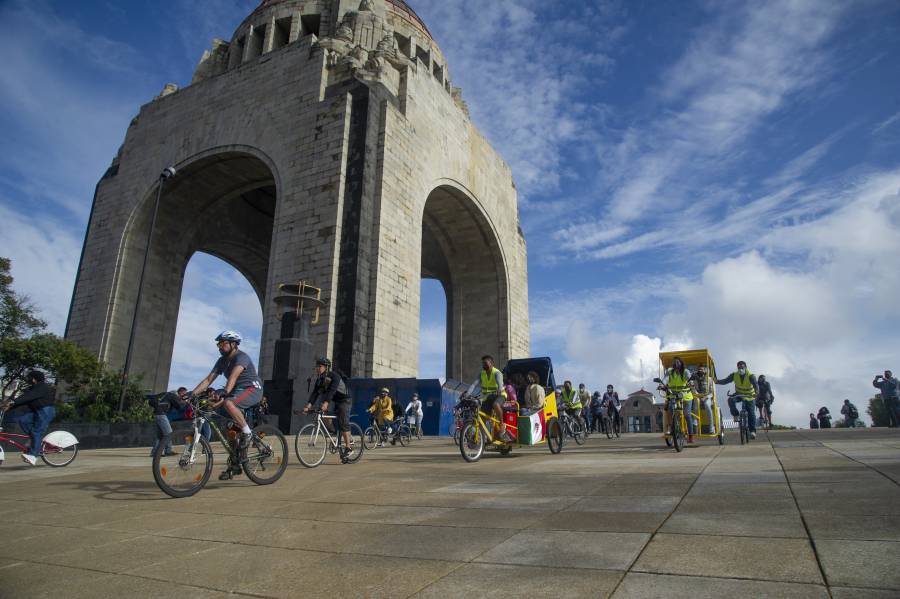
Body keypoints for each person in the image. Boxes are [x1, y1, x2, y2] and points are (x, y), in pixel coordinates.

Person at [190, 330, 264, 479]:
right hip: (236, 391)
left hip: (252, 388)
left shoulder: (241, 357)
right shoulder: (221, 361)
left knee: (228, 403)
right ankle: (235, 464)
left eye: (223, 343)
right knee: (230, 429)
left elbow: (234, 376)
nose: (220, 346)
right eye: (219, 344)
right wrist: (192, 394)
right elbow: (207, 380)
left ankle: (248, 434)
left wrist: (225, 392)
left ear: (234, 344)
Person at [302, 357, 354, 462]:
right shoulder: (320, 380)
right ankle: (333, 432)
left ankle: (348, 447)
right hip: (336, 401)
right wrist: (308, 406)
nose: (317, 368)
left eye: (320, 366)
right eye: (317, 366)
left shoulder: (334, 376)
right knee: (323, 413)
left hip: (345, 400)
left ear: (326, 367)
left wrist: (326, 403)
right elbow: (315, 394)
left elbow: (332, 390)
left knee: (343, 421)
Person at [1, 370, 55, 466]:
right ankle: (35, 440)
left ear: (34, 379)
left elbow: (29, 397)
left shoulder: (42, 387)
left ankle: (33, 456)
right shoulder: (32, 388)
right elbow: (23, 398)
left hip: (45, 411)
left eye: (29, 377)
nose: (27, 379)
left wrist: (14, 402)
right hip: (36, 411)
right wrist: (9, 405)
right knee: (23, 420)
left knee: (36, 431)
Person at [467, 355, 512, 442]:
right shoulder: (481, 373)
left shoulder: (497, 373)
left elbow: (499, 384)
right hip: (488, 397)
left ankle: (502, 424)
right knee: (481, 418)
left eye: (485, 363)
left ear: (491, 363)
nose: (483, 365)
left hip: (500, 395)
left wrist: (499, 389)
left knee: (496, 404)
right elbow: (473, 384)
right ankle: (484, 437)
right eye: (482, 363)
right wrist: (467, 393)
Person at [715, 360, 758, 440]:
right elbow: (725, 381)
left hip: (750, 396)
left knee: (751, 413)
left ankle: (752, 431)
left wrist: (756, 392)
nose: (740, 369)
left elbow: (756, 385)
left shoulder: (751, 376)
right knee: (730, 400)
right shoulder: (734, 375)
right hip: (739, 395)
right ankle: (736, 415)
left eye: (742, 367)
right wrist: (717, 381)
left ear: (745, 367)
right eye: (739, 367)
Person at [664, 356, 696, 442]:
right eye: (674, 362)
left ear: (681, 363)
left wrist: (691, 383)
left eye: (677, 362)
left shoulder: (685, 372)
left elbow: (689, 379)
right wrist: (661, 385)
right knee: (670, 409)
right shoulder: (670, 371)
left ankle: (690, 435)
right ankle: (671, 428)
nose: (675, 364)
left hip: (686, 396)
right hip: (673, 395)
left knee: (687, 414)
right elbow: (665, 379)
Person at [149, 390, 182, 457]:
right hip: (161, 415)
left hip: (156, 414)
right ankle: (168, 451)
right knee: (169, 433)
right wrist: (184, 403)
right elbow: (179, 406)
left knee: (160, 435)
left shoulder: (163, 394)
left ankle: (155, 452)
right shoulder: (172, 395)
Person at [691, 365, 715, 434]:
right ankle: (695, 423)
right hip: (697, 397)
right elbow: (693, 390)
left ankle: (711, 427)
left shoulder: (710, 379)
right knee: (695, 403)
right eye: (699, 370)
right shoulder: (694, 380)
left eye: (702, 369)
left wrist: (706, 397)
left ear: (705, 371)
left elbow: (712, 392)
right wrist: (698, 396)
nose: (700, 371)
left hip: (707, 397)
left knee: (707, 404)